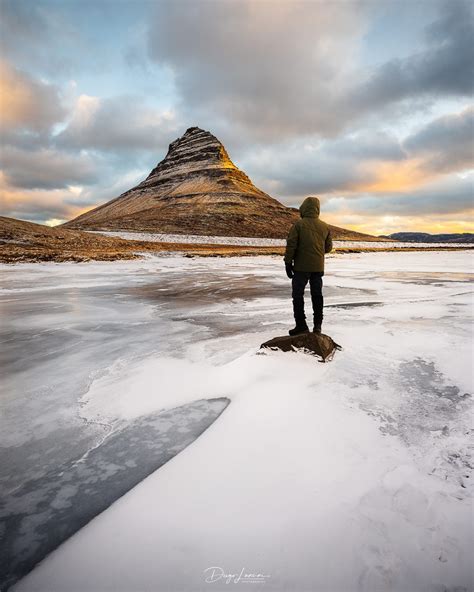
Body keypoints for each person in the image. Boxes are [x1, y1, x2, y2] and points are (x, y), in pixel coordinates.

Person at [284, 196, 333, 336]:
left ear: (304, 208)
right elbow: (328, 248)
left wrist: (288, 262)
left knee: (297, 295)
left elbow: (291, 245)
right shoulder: (325, 226)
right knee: (317, 295)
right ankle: (318, 326)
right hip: (318, 268)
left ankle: (301, 325)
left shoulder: (299, 225)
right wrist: (316, 251)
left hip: (301, 268)